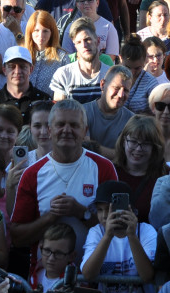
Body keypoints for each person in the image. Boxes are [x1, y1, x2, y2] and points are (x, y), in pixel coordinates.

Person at [11, 99, 118, 251]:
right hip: (45, 272)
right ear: (49, 130)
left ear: (85, 131)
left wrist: (81, 213)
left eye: (74, 125)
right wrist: (50, 217)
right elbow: (17, 237)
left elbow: (117, 230)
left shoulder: (103, 167)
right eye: (60, 124)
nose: (67, 130)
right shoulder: (32, 174)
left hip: (95, 273)